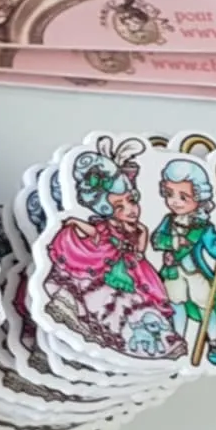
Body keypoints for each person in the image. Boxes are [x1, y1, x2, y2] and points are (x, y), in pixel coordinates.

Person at [43, 142, 183, 362]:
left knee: (140, 300)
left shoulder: (140, 229)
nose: (130, 210)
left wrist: (136, 254)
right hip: (108, 265)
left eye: (132, 201)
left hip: (134, 270)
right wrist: (75, 222)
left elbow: (140, 250)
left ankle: (154, 340)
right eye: (120, 207)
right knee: (107, 298)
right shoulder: (107, 227)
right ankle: (117, 333)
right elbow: (94, 232)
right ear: (107, 209)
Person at [152, 156, 216, 365]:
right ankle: (177, 343)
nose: (175, 201)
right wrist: (174, 241)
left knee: (206, 308)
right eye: (170, 194)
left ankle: (215, 342)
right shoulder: (168, 221)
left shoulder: (203, 227)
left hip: (195, 275)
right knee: (176, 307)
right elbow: (156, 240)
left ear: (199, 198)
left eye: (183, 197)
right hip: (173, 274)